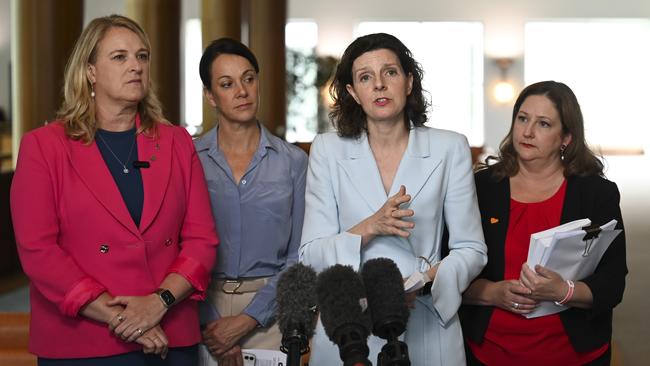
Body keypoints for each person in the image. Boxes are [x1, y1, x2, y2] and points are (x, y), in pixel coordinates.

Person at [10, 15, 219, 365]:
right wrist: (122, 318)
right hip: (84, 340)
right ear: (90, 71)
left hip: (169, 332)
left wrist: (158, 303)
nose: (135, 66)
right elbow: (38, 250)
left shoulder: (175, 142)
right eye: (119, 57)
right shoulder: (44, 147)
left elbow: (203, 240)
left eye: (142, 56)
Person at [299, 32, 487, 366]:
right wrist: (370, 226)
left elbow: (471, 249)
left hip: (427, 319)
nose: (380, 85)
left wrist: (426, 282)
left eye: (391, 72)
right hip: (352, 323)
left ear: (409, 82)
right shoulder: (328, 151)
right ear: (353, 93)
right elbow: (311, 253)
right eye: (366, 77)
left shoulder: (450, 147)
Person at [460, 81, 627, 366]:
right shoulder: (481, 188)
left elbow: (612, 284)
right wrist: (492, 293)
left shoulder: (596, 193)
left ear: (566, 137)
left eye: (544, 124)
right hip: (489, 353)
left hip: (573, 354)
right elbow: (449, 269)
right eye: (522, 118)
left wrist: (564, 292)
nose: (527, 131)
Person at [195, 38, 308, 366]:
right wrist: (212, 324)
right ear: (210, 95)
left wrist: (246, 321)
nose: (242, 91)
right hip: (201, 311)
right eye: (227, 84)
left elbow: (298, 256)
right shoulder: (188, 159)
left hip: (270, 316)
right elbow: (175, 248)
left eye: (248, 78)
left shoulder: (293, 162)